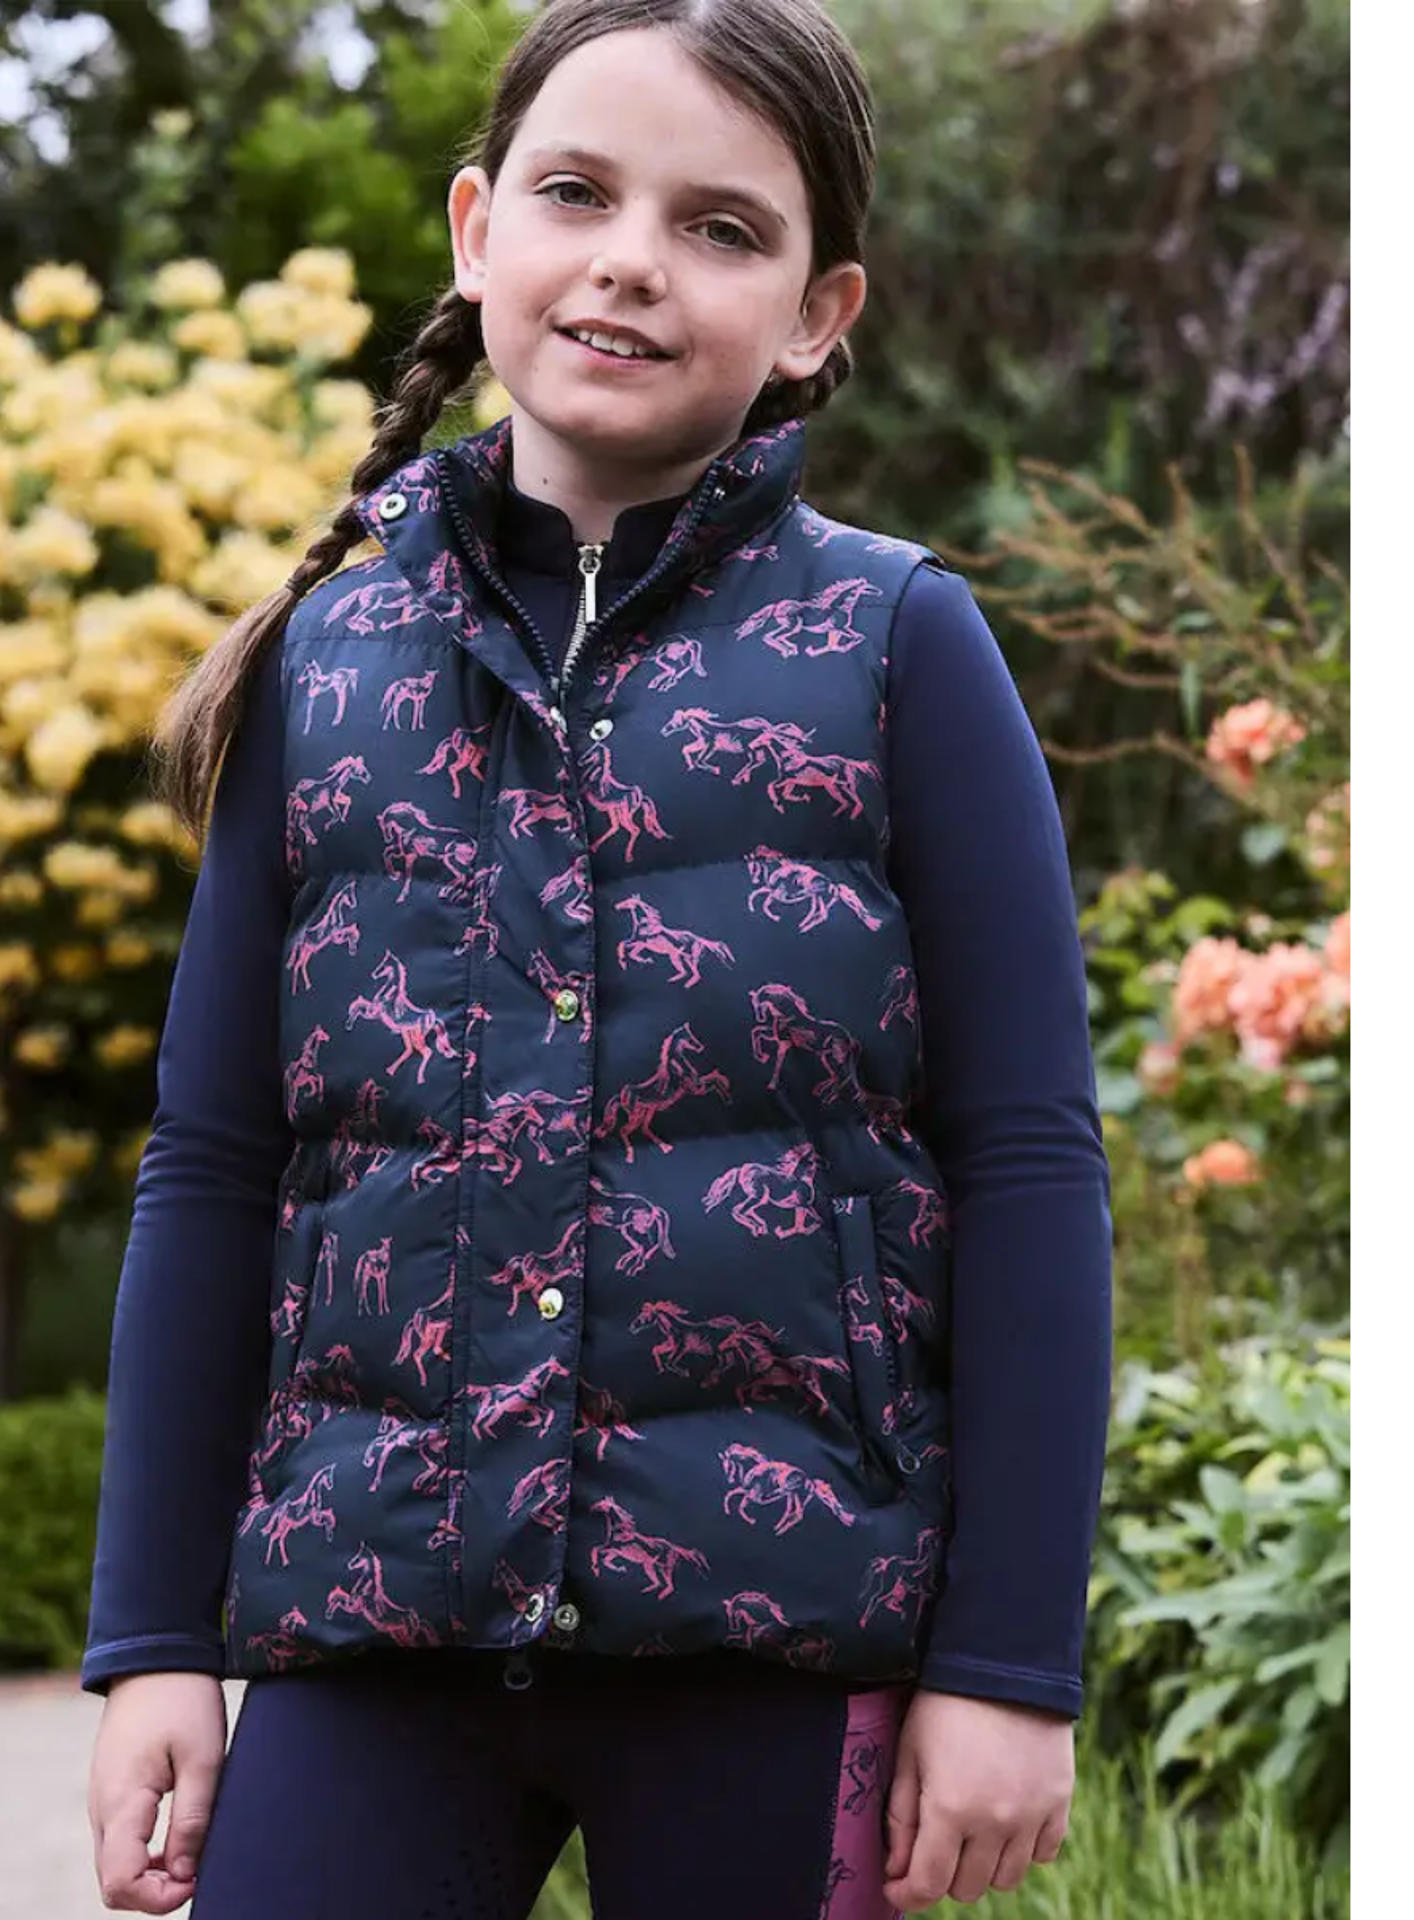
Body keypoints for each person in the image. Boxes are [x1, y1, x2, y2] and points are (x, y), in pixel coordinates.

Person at [81, 1, 1113, 1915]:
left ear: (816, 314)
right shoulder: (324, 667)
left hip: (775, 1640)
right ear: (479, 234)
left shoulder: (897, 647)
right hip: (374, 1624)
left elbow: (1031, 1162)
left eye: (722, 227)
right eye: (577, 193)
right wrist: (152, 1637)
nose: (634, 258)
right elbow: (214, 1163)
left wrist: (1006, 1666)